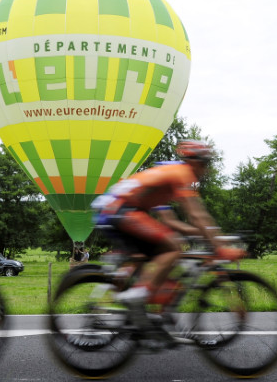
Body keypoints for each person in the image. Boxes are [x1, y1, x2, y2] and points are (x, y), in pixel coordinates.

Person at [93, 140, 244, 329]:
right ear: (195, 162)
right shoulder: (182, 174)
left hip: (118, 209)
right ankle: (138, 296)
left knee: (164, 250)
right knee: (173, 246)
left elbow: (181, 220)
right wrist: (219, 246)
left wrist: (205, 234)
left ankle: (146, 310)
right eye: (206, 164)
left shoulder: (165, 179)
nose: (207, 169)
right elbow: (195, 215)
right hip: (119, 210)